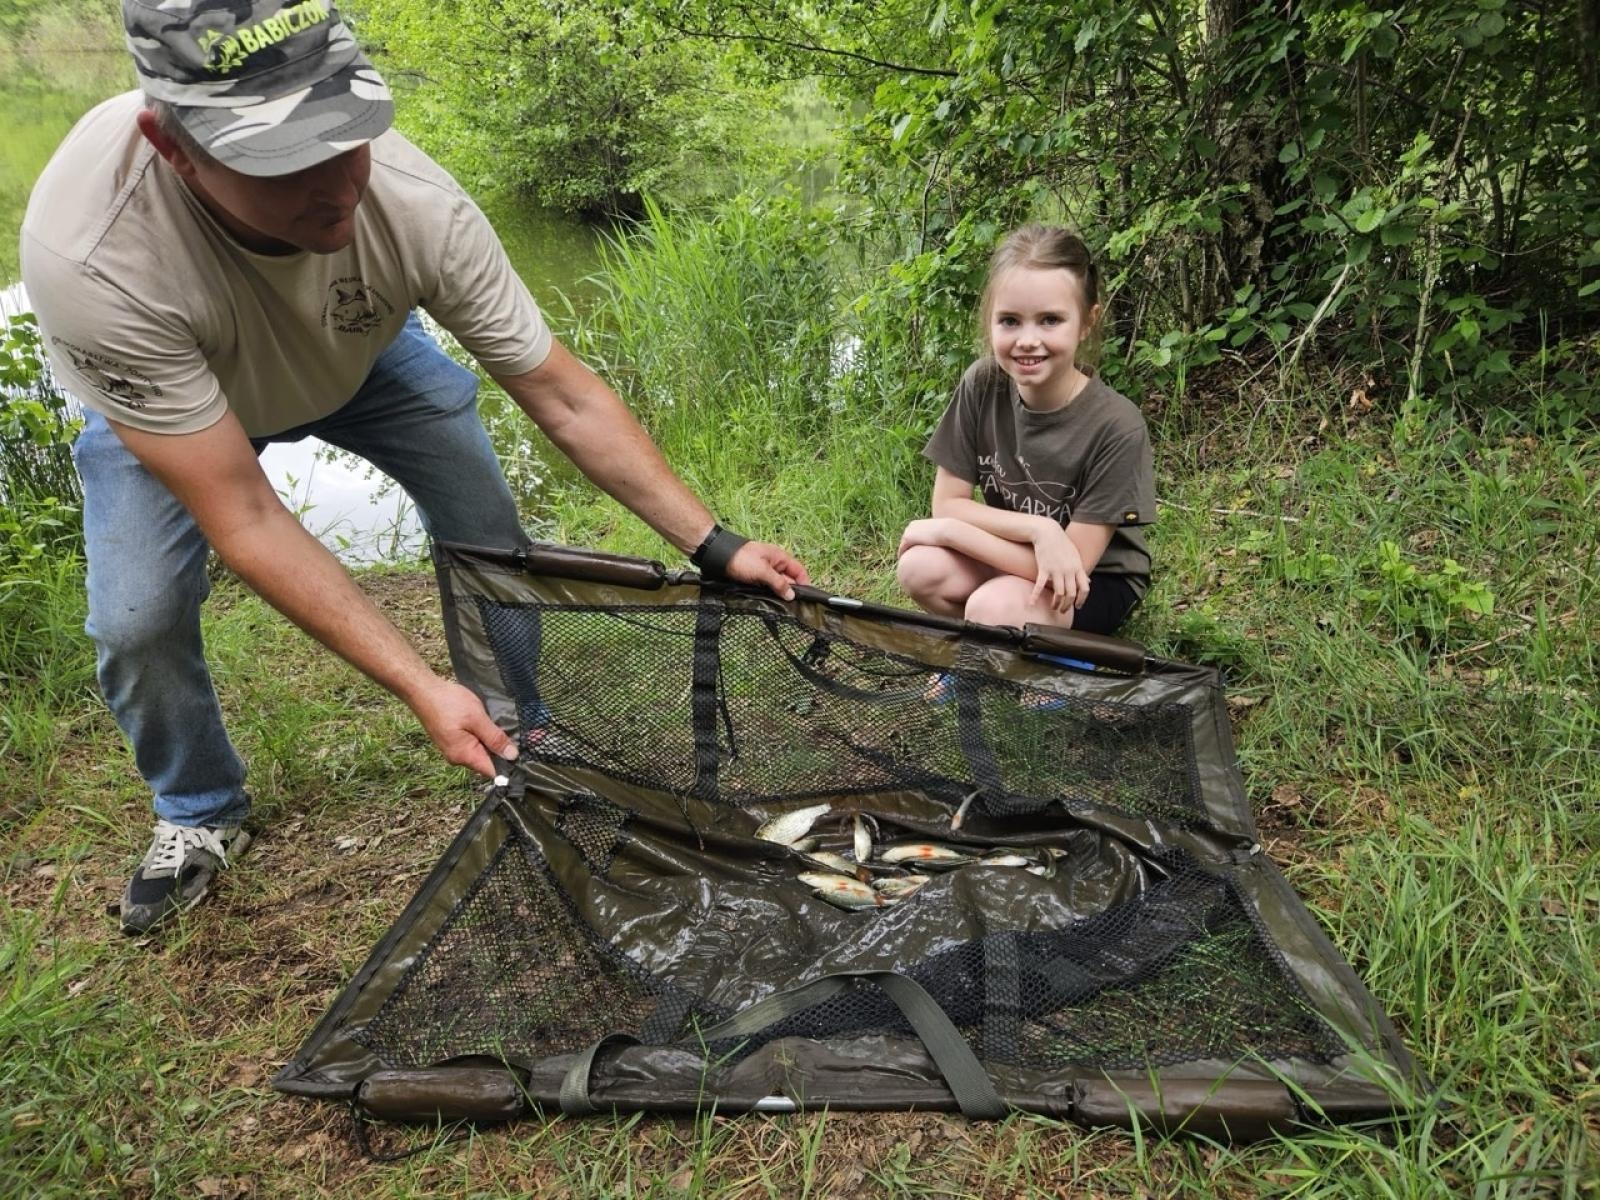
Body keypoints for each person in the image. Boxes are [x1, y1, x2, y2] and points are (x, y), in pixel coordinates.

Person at [20, 0, 808, 935]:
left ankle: (521, 725)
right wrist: (420, 685)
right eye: (282, 159)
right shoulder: (92, 254)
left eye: (346, 132)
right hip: (183, 402)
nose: (337, 187)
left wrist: (714, 542)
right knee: (137, 619)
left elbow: (563, 395)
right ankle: (198, 809)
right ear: (173, 146)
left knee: (491, 538)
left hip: (364, 354)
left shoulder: (412, 200)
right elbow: (246, 515)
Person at [896, 225, 1155, 638]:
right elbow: (948, 502)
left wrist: (949, 531)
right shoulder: (983, 383)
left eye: (1050, 320)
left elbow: (1072, 565)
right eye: (1010, 321)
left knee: (993, 605)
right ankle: (994, 646)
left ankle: (1032, 652)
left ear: (1087, 322)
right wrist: (1039, 528)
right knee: (920, 567)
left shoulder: (1118, 426)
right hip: (1024, 550)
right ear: (990, 321)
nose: (1027, 341)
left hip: (1093, 579)